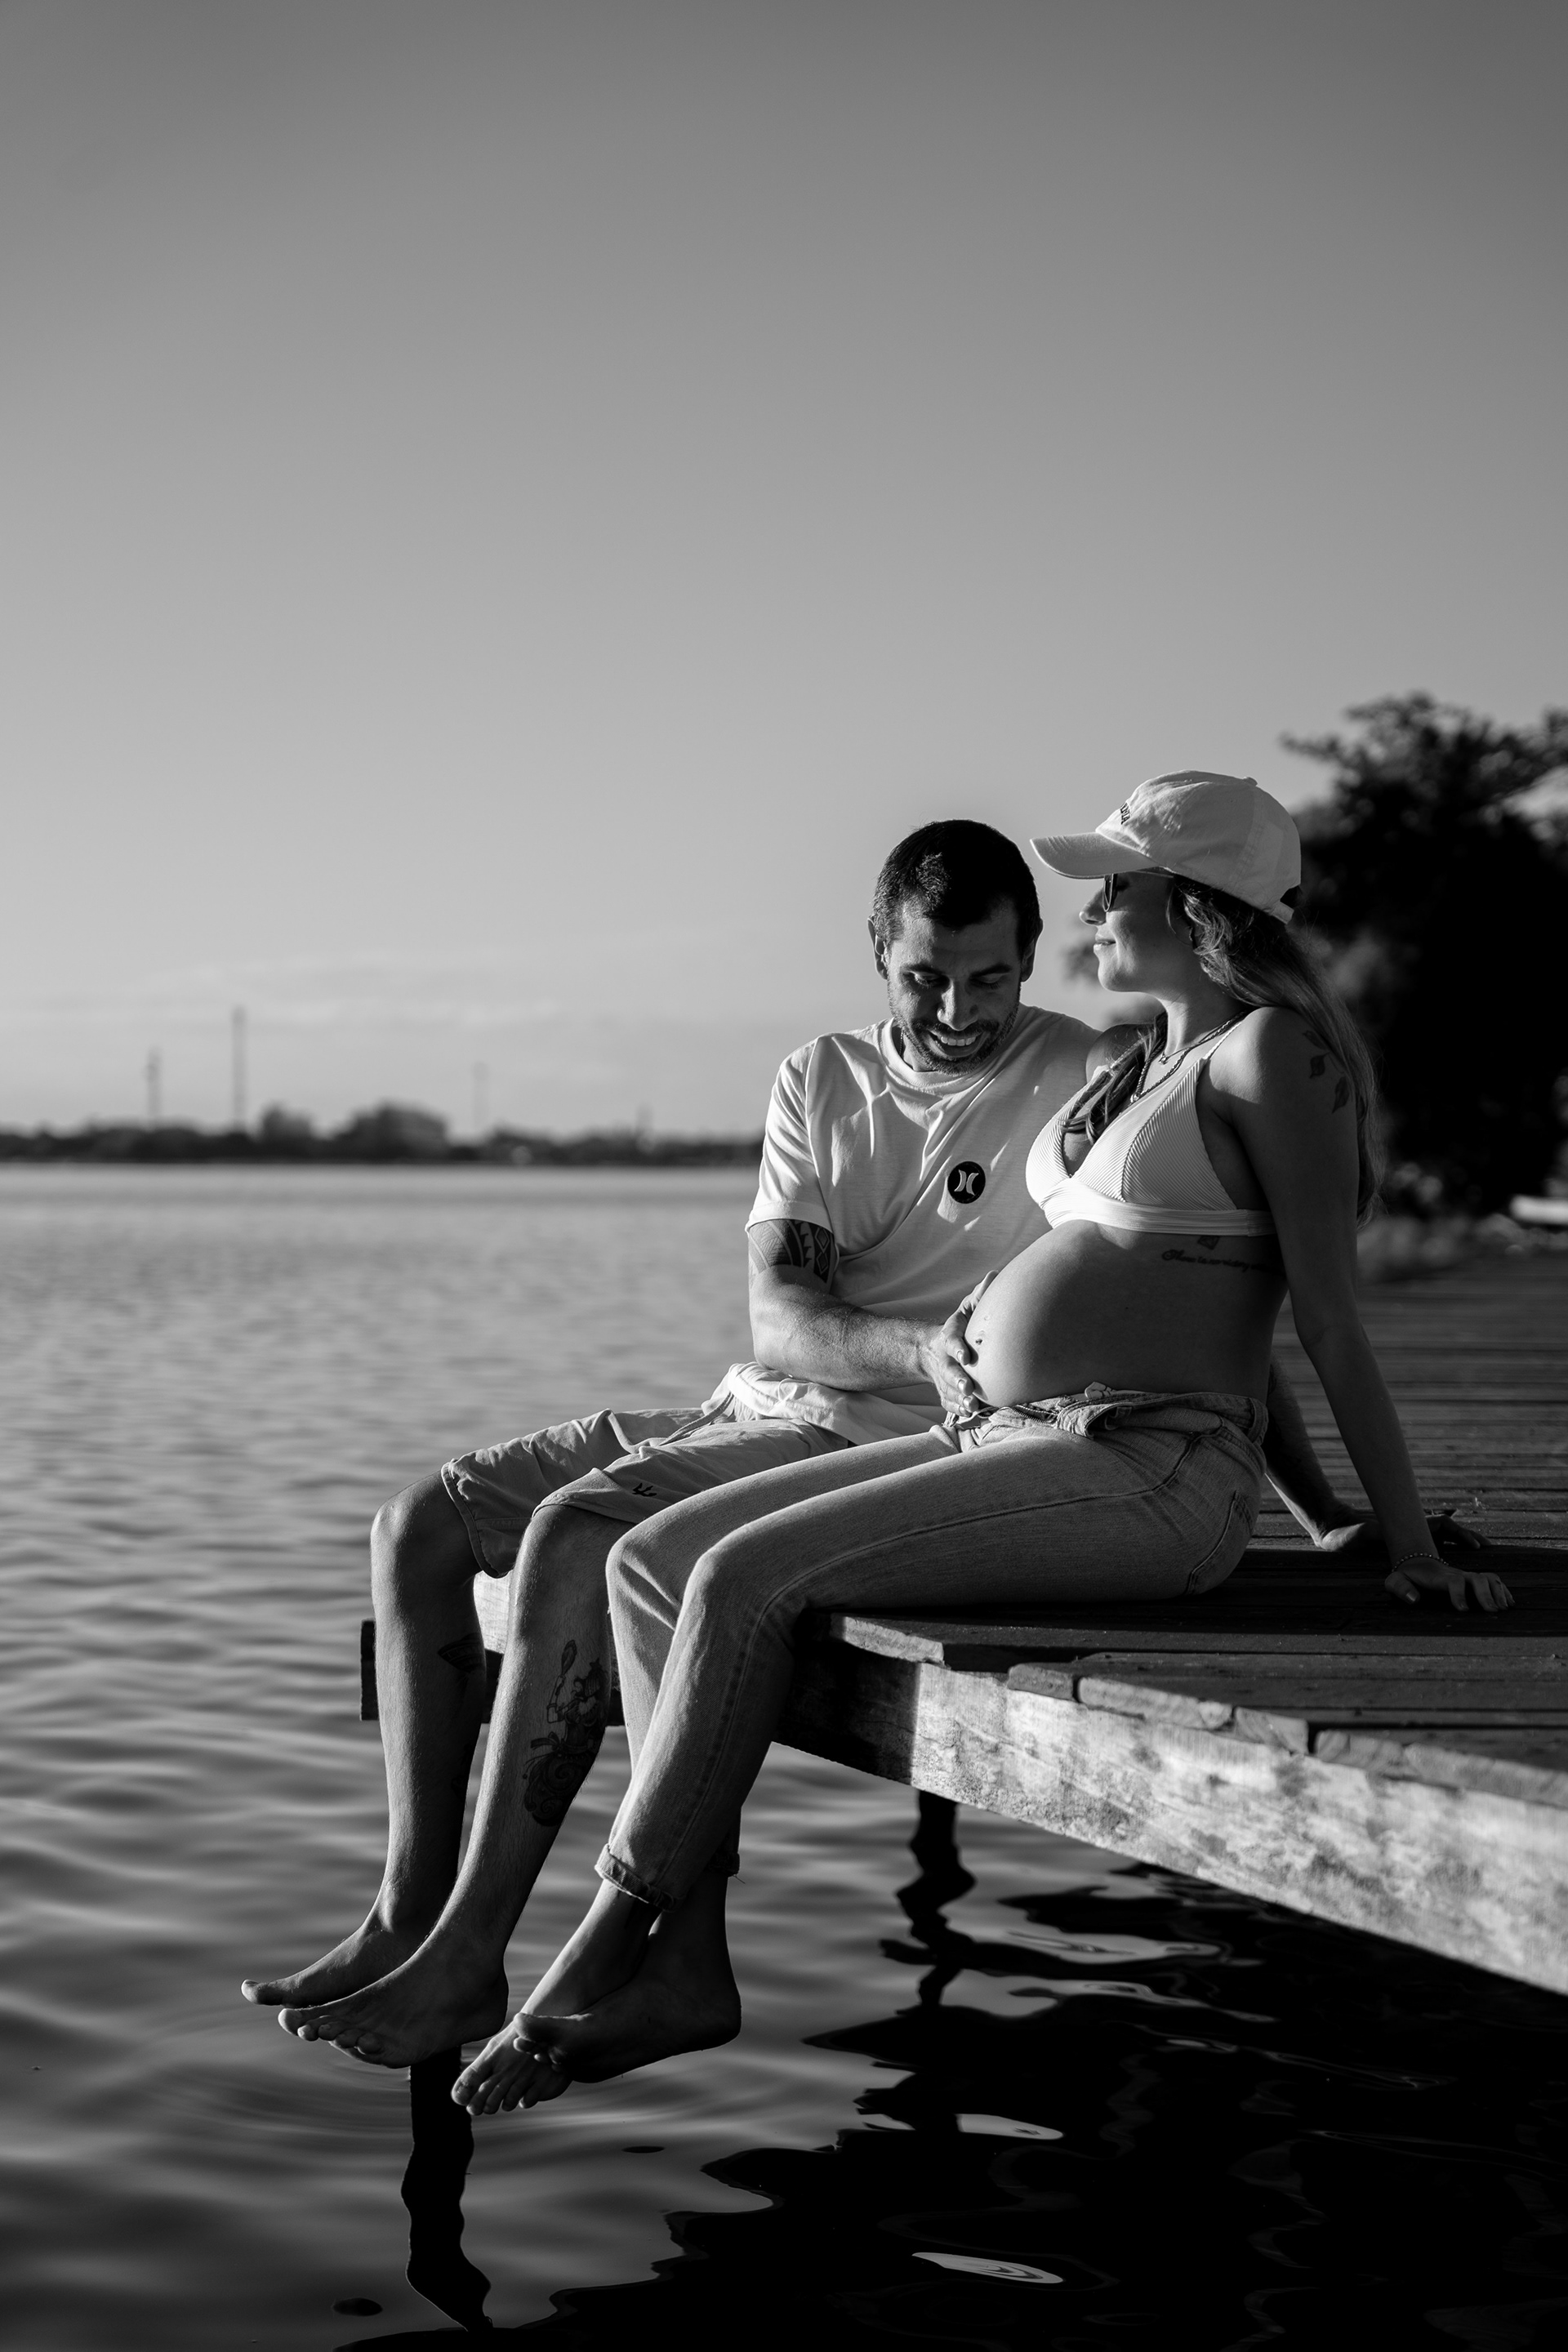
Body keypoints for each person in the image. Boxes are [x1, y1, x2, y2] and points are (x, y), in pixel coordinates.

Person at [425, 769, 1512, 2118]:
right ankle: (685, 1960)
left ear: (1200, 904)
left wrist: (1393, 1540)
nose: (1094, 911)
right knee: (653, 1561)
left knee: (741, 1581)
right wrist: (1319, 1514)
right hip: (1016, 1434)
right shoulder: (1137, 1064)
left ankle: (608, 1946)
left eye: (1118, 885)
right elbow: (1166, 1290)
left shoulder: (1271, 1057)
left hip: (1148, 1464)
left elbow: (1320, 1322)